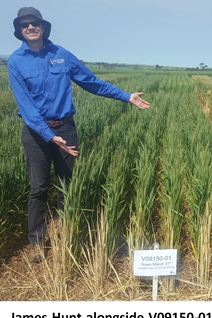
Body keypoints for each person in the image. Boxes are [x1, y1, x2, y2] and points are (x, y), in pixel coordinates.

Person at [8, 7, 151, 262]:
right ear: (19, 30)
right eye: (24, 25)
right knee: (38, 187)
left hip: (65, 128)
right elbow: (27, 108)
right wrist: (49, 136)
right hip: (36, 133)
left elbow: (91, 81)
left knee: (68, 185)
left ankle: (68, 233)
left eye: (34, 23)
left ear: (43, 27)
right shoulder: (16, 61)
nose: (30, 27)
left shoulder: (61, 54)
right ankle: (38, 244)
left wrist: (126, 96)